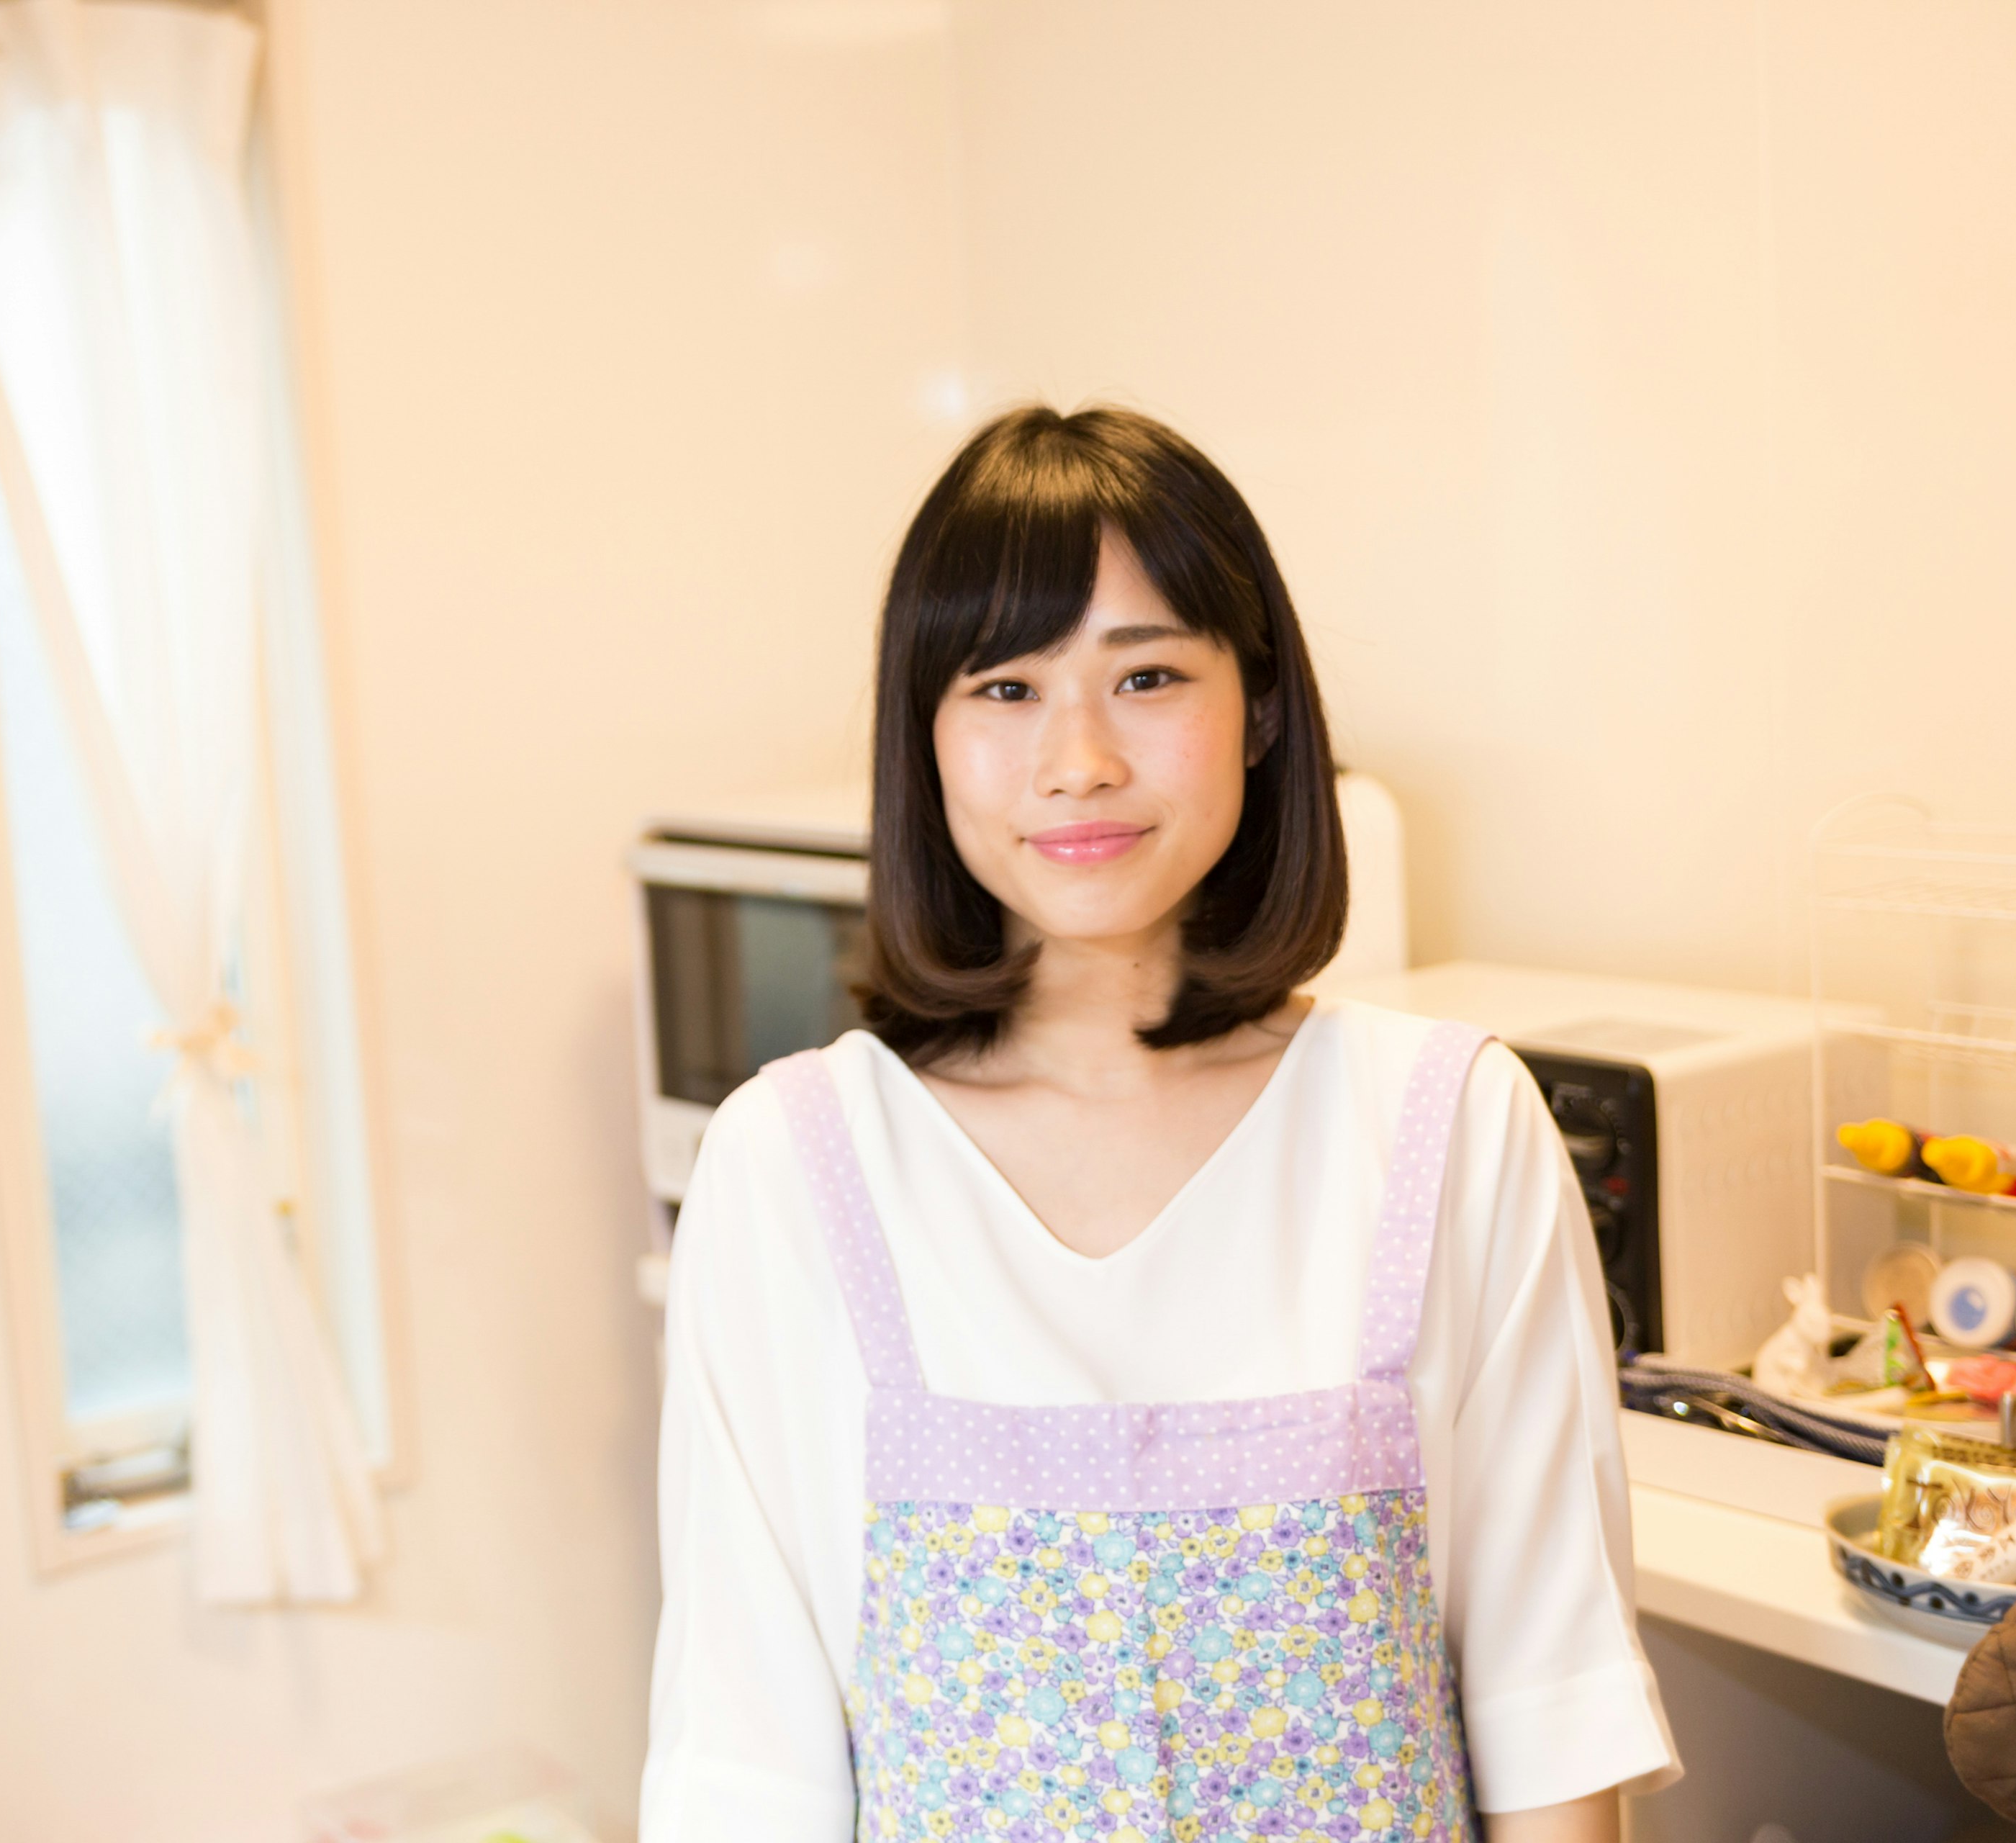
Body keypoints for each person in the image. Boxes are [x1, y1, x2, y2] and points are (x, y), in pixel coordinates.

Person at [639, 406, 1678, 1843]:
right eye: (1003, 688)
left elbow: (1552, 1709)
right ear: (925, 741)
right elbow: (743, 1765)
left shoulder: (1447, 1126)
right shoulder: (796, 1167)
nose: (1077, 759)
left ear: (1255, 705)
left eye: (1145, 675)